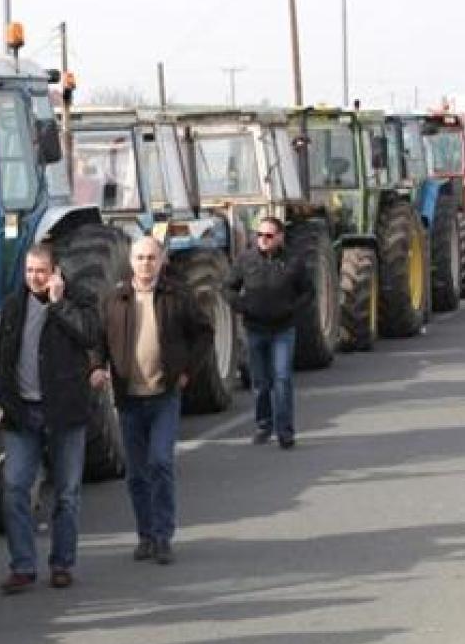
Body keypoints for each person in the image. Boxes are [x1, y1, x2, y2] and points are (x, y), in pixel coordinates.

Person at [92, 236, 212, 565]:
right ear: (131, 262)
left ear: (161, 262)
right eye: (140, 258)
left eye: (151, 258)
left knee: (160, 462)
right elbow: (98, 339)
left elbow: (204, 332)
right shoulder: (115, 299)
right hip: (129, 399)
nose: (146, 264)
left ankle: (163, 536)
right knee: (136, 473)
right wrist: (95, 367)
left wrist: (188, 371)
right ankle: (145, 535)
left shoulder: (176, 296)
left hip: (164, 396)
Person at [0, 243, 100, 592]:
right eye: (29, 271)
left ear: (55, 271)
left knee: (67, 493)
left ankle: (62, 563)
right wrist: (5, 398)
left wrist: (58, 304)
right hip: (23, 414)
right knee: (14, 491)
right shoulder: (13, 306)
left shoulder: (78, 300)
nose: (34, 277)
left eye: (41, 271)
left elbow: (89, 334)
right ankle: (23, 565)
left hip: (64, 413)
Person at [224, 216, 313, 449]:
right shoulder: (246, 260)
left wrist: (293, 309)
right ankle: (264, 425)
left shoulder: (294, 261)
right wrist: (241, 306)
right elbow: (228, 287)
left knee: (282, 379)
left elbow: (308, 291)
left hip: (283, 330)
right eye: (259, 235)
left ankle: (285, 431)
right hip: (255, 329)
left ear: (280, 237)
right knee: (261, 382)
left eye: (268, 236)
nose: (262, 240)